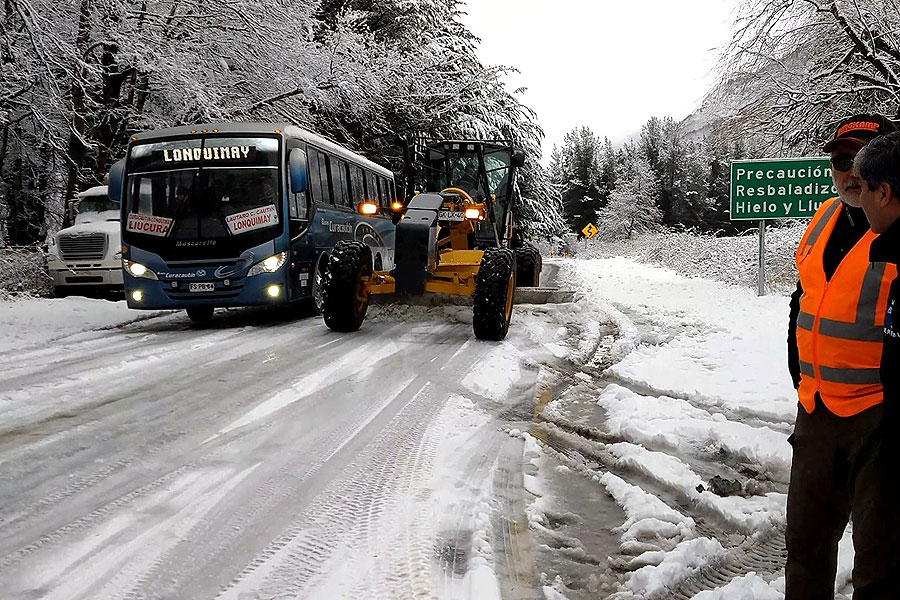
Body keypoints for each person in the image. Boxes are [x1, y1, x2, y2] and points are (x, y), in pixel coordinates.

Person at [785, 113, 898, 600]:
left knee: (881, 562)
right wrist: (797, 364)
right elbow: (804, 295)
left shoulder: (895, 227)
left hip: (877, 417)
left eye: (859, 160)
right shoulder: (824, 218)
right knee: (805, 549)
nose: (849, 172)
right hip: (815, 410)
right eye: (840, 160)